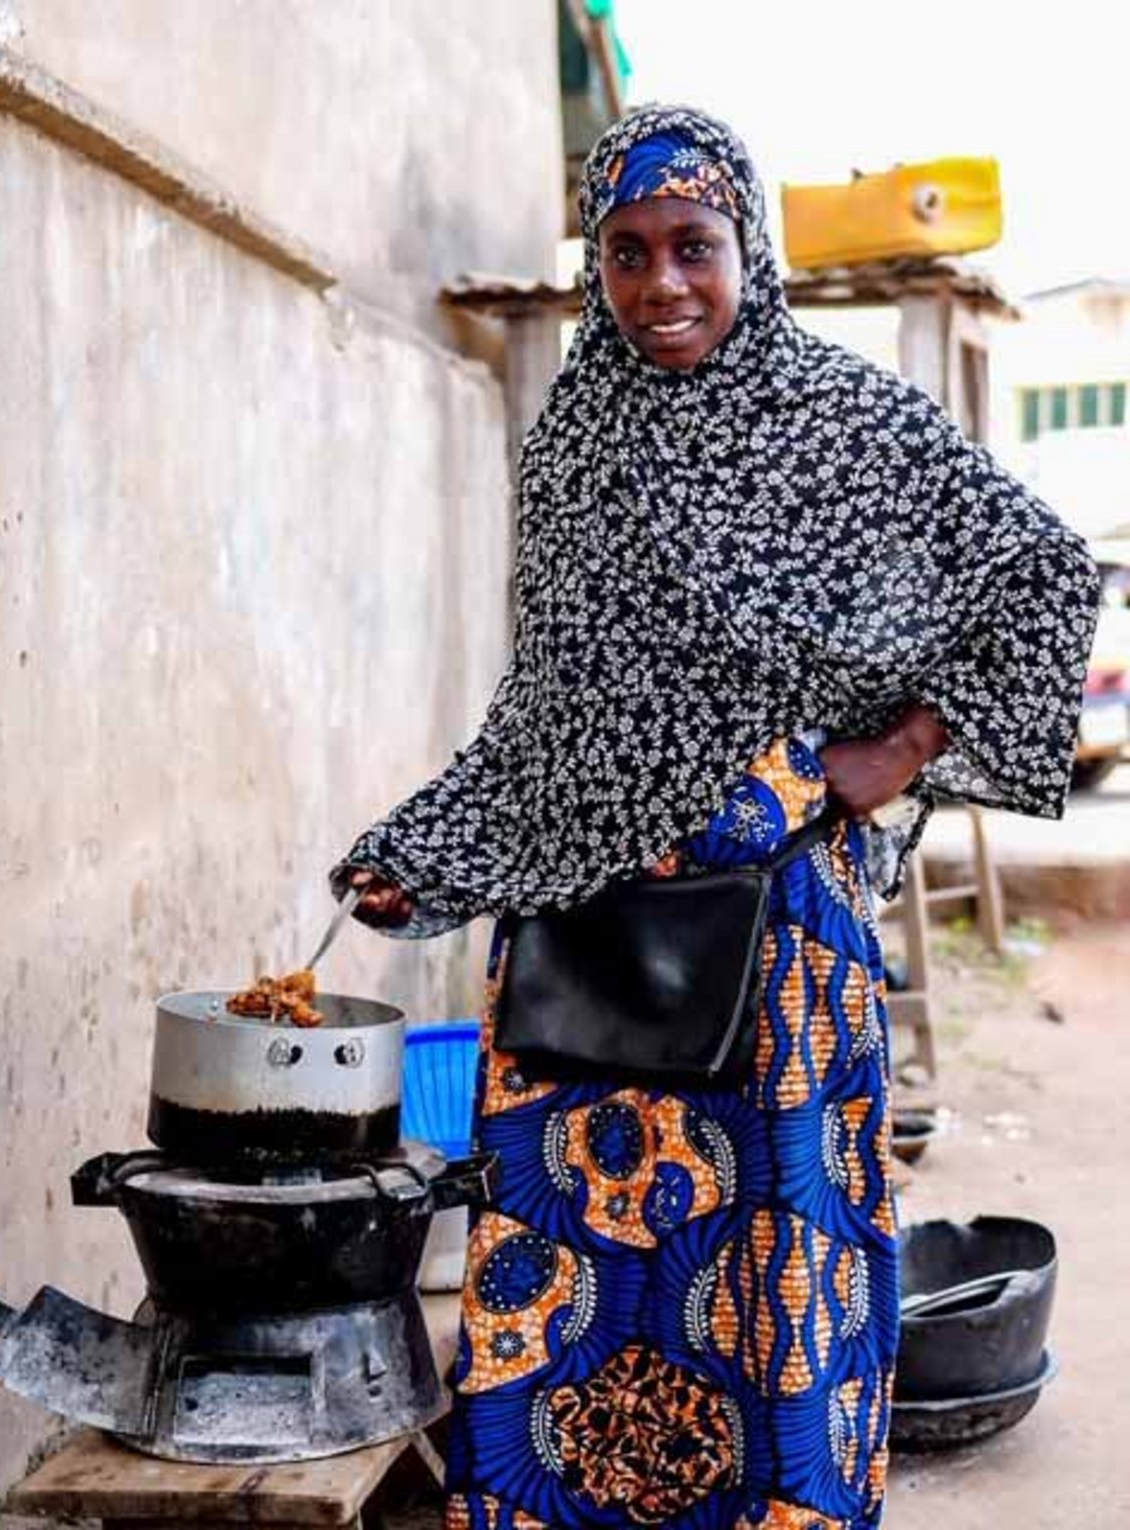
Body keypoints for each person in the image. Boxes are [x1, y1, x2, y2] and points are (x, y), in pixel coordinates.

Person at [332, 106, 1099, 1529]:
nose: (660, 283)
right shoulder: (578, 444)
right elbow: (546, 716)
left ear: (751, 245)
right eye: (624, 252)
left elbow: (1047, 576)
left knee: (771, 1294)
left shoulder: (844, 423)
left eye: (694, 244)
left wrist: (904, 750)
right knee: (575, 1297)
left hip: (778, 958)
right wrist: (425, 856)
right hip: (583, 954)